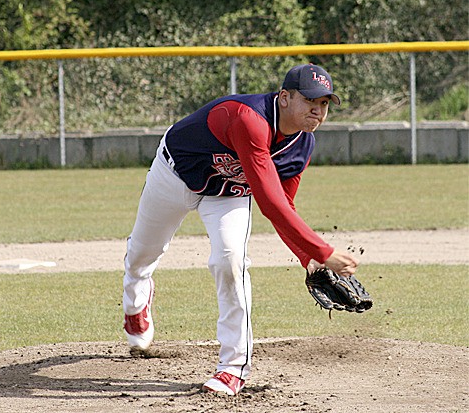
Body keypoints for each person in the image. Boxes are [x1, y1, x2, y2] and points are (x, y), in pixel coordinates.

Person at [122, 63, 359, 396]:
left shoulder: (302, 144)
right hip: (174, 175)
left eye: (324, 104)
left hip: (228, 195)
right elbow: (269, 202)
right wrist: (324, 251)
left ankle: (233, 369)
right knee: (142, 255)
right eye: (311, 101)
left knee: (231, 261)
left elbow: (284, 205)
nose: (318, 111)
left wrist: (308, 257)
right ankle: (135, 303)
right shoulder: (249, 119)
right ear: (285, 98)